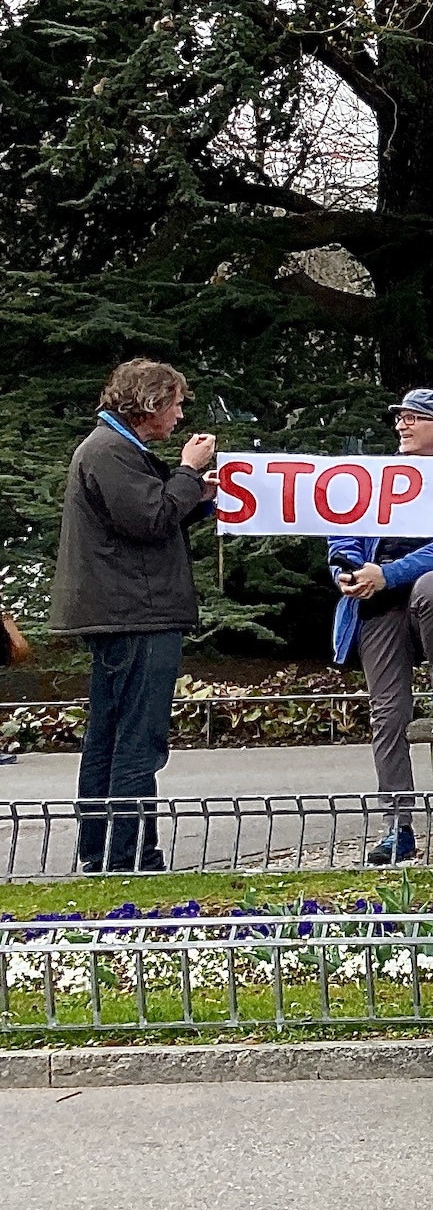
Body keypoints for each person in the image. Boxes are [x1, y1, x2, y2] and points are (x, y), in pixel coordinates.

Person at [51, 359, 217, 872]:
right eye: (176, 403)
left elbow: (154, 510)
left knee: (113, 734)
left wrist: (198, 494)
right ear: (149, 404)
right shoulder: (109, 451)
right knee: (135, 739)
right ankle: (125, 854)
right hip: (134, 613)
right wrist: (189, 471)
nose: (181, 414)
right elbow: (150, 519)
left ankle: (106, 851)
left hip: (127, 610)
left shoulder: (119, 449)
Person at [332, 388, 433, 866]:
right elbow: (343, 523)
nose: (401, 425)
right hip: (377, 605)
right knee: (388, 716)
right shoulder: (376, 476)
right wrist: (347, 567)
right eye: (399, 417)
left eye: (414, 418)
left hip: (430, 597)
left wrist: (391, 573)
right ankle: (396, 827)